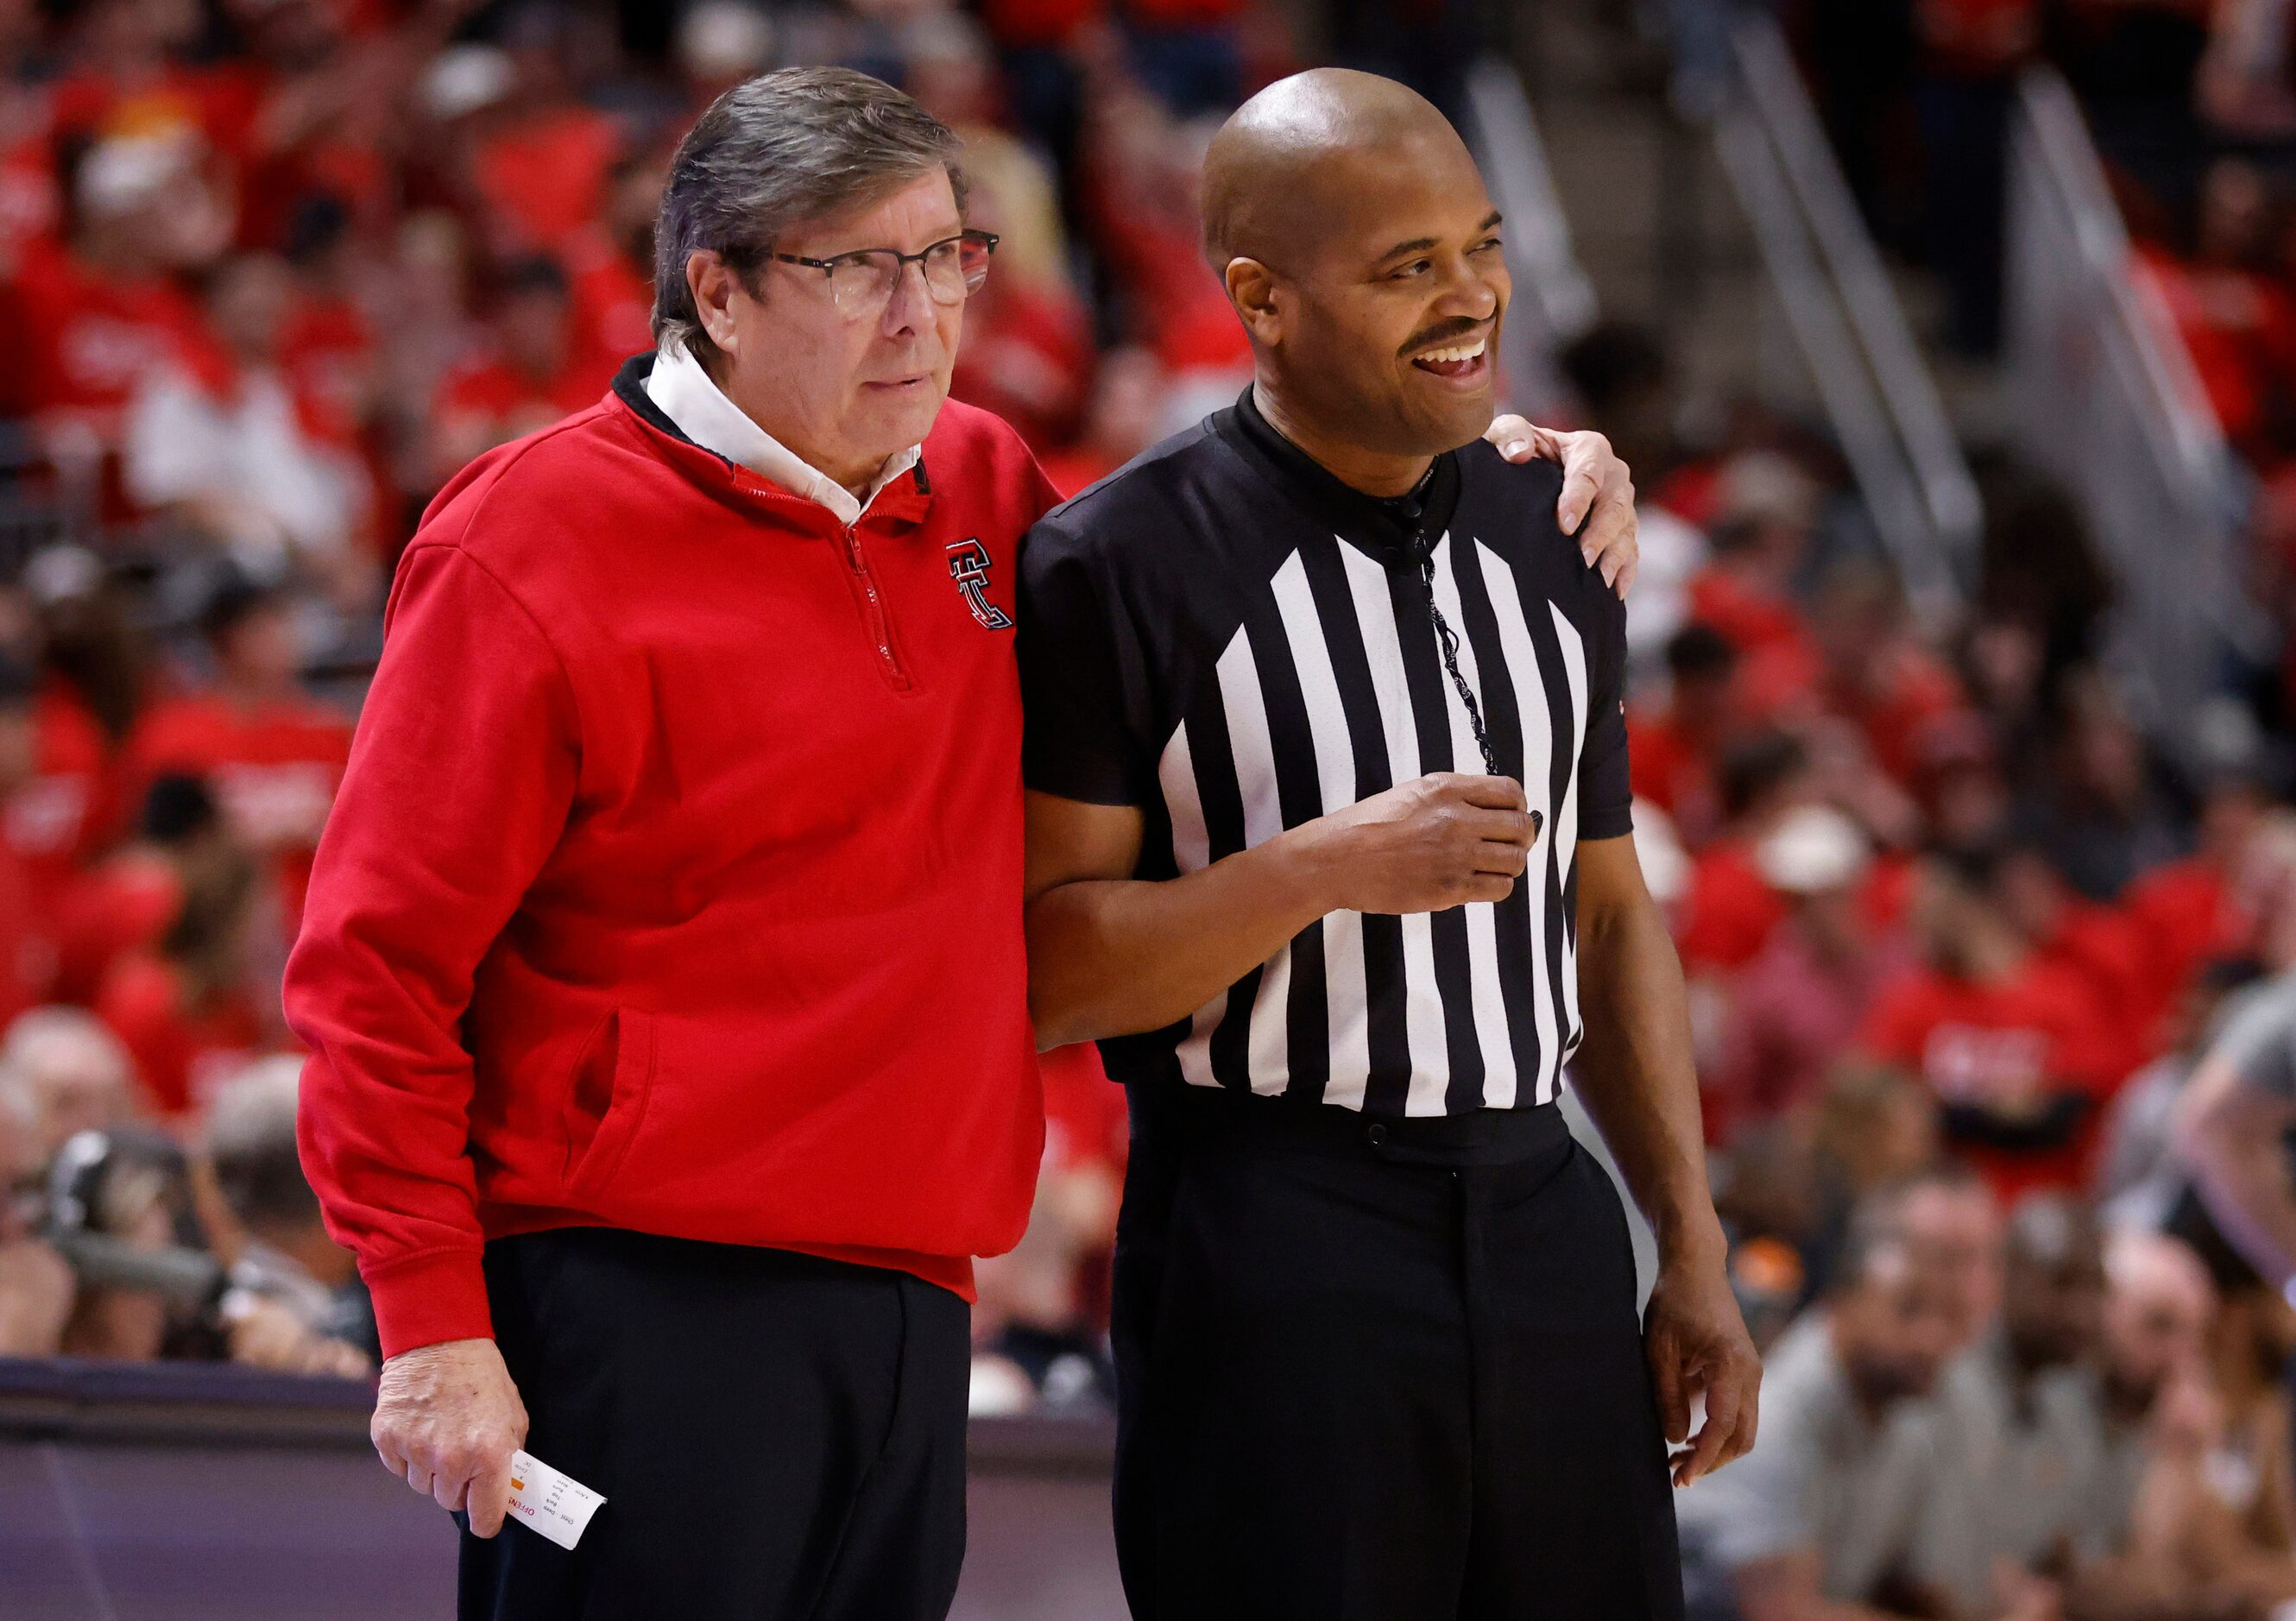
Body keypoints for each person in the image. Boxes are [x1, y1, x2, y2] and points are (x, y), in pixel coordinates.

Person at [284, 66, 1644, 1621]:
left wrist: (1490, 449)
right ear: (715, 291)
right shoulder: (522, 541)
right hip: (639, 1289)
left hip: (921, 1292)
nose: (920, 313)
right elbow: (372, 972)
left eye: (945, 259)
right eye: (858, 269)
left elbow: (1247, 526)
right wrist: (430, 1325)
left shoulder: (987, 488)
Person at [1017, 69, 1751, 1619]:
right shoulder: (1117, 562)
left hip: (1545, 1203)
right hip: (1272, 1224)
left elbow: (1609, 911)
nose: (1469, 296)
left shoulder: (1562, 526)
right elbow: (1046, 972)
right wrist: (1318, 867)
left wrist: (1688, 1241)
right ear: (1261, 299)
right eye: (1405, 266)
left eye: (1478, 247)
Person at [1675, 1188, 2031, 1620]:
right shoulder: (1768, 1420)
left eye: (1947, 1315)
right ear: (1842, 1300)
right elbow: (1781, 1613)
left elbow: (1913, 1582)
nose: (1932, 1340)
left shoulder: (1909, 1418)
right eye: (1909, 1309)